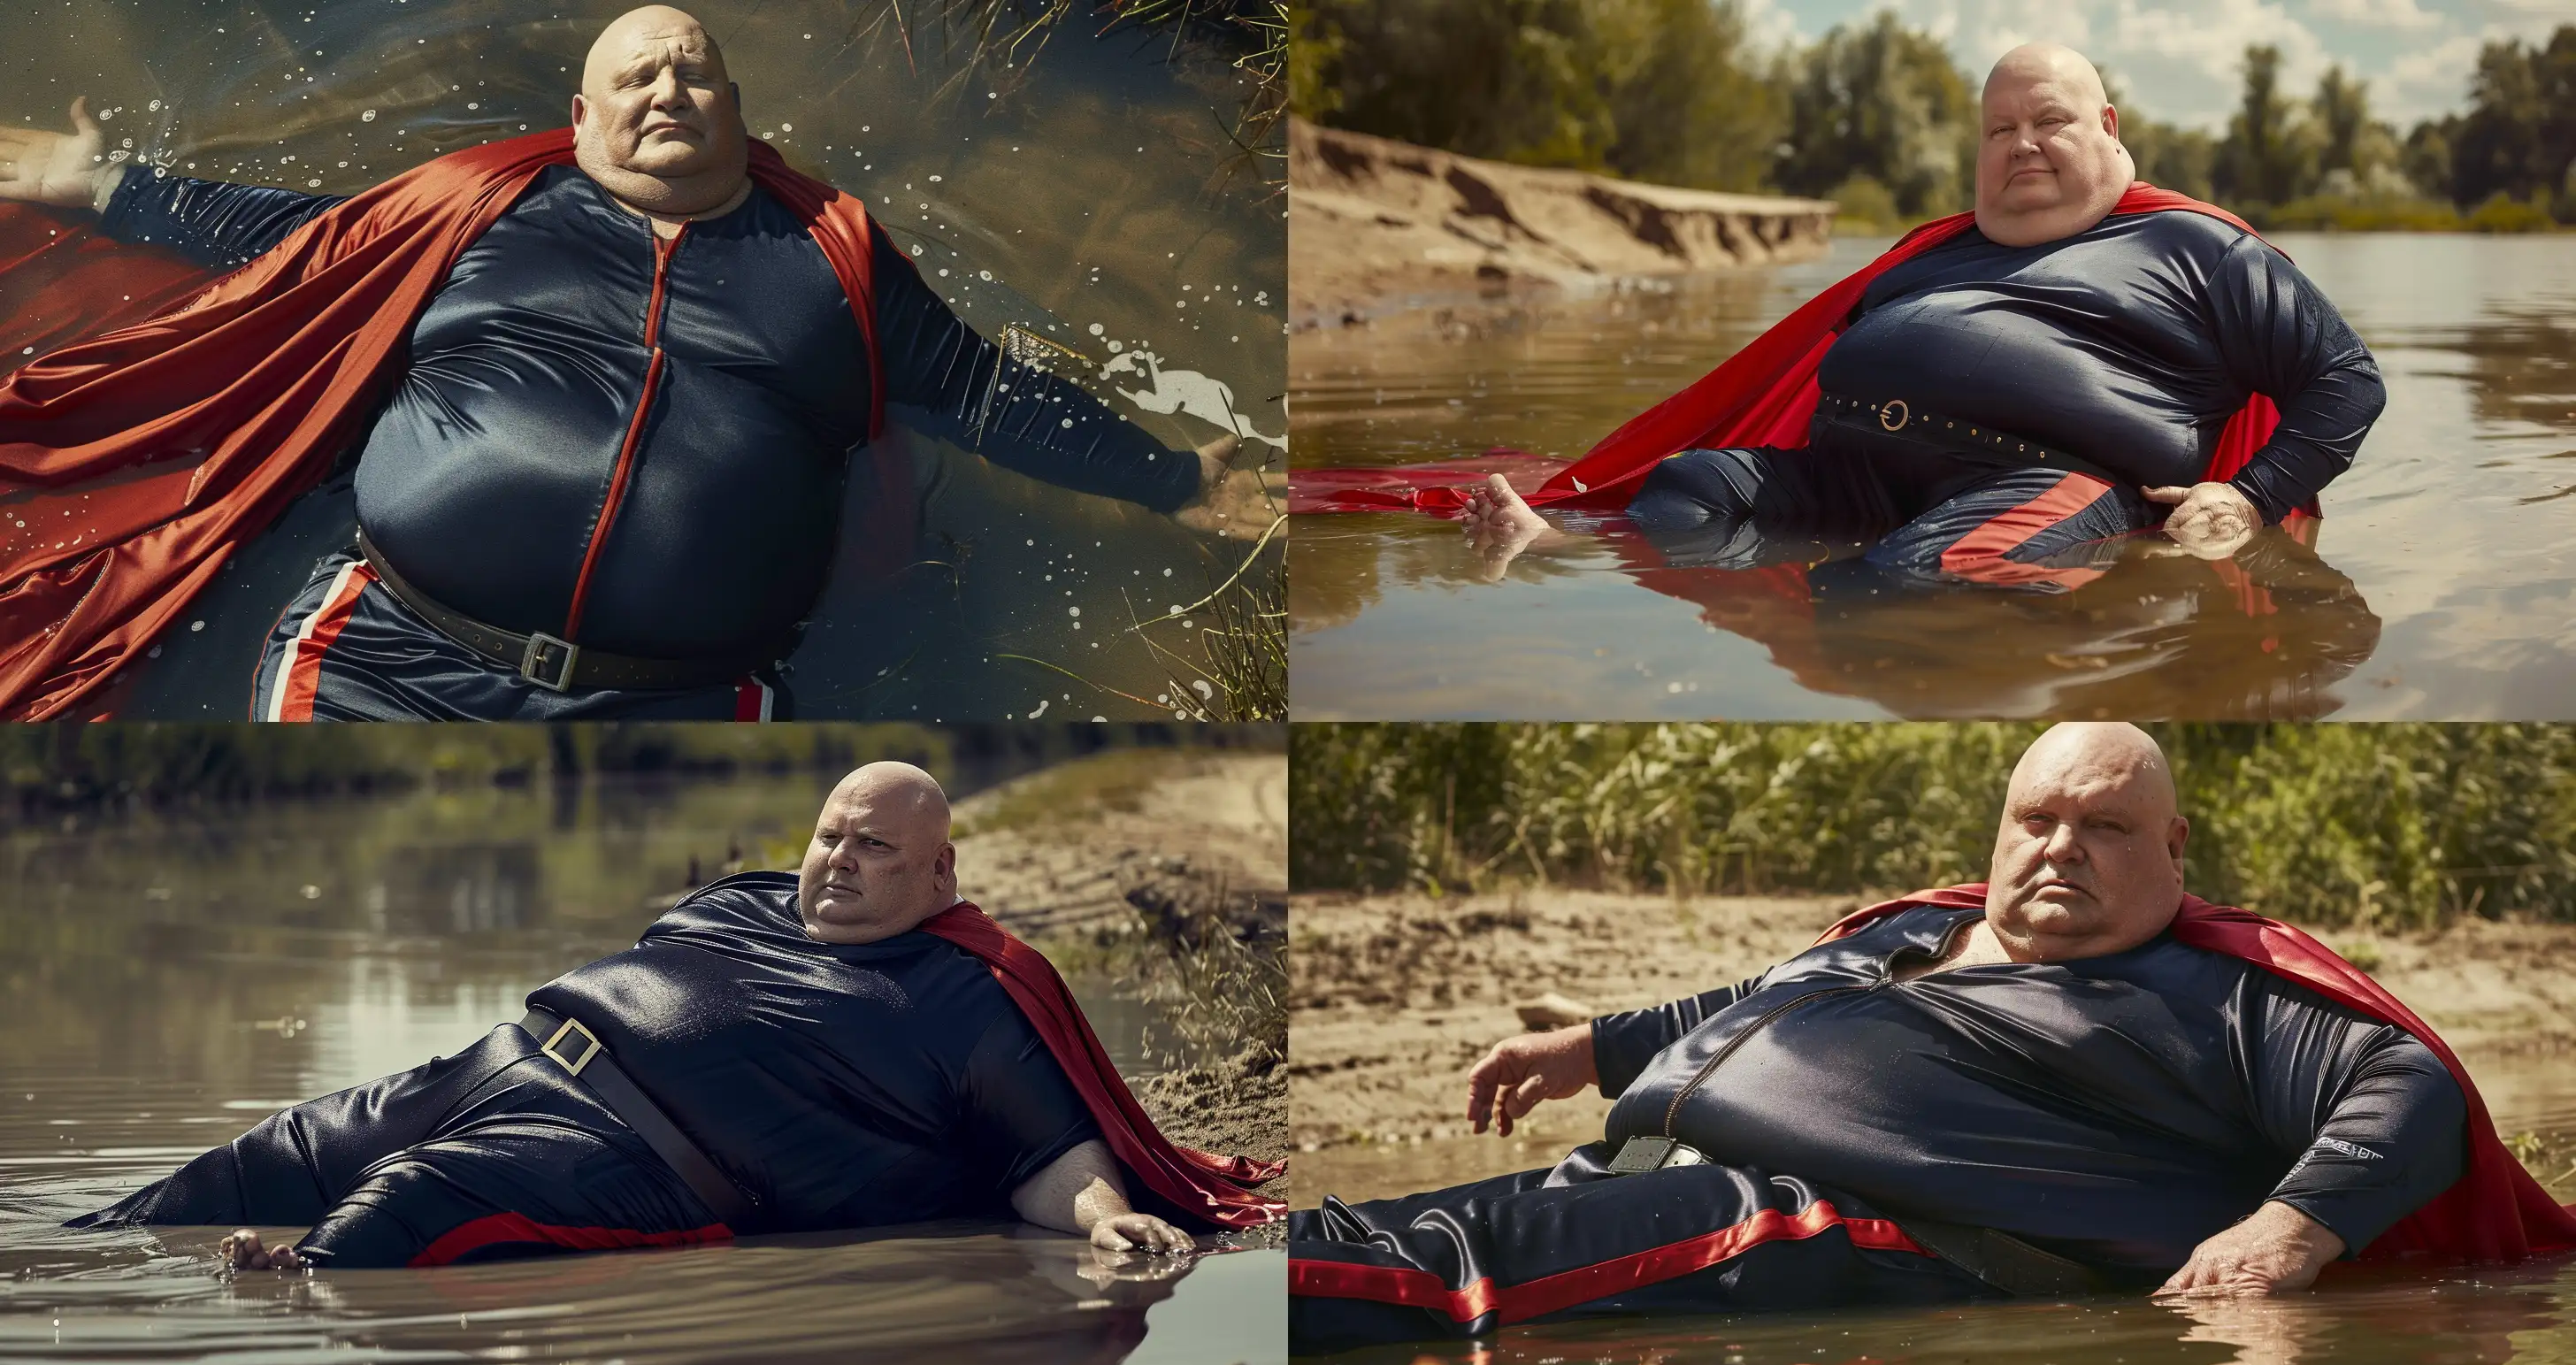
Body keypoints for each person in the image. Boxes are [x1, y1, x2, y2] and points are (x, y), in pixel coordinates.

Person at [0, 6, 1274, 721]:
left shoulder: (831, 256)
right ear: (583, 120)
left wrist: (1170, 480)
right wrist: (105, 183)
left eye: (694, 69)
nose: (668, 86)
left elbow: (987, 389)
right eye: (636, 74)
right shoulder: (472, 213)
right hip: (382, 661)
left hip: (678, 706)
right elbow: (293, 245)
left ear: (736, 111)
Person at [1287, 724, 2576, 1353]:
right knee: (1385, 1237)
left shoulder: (2216, 994)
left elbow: (2402, 1080)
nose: (2062, 846)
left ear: (2174, 849)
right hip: (1645, 1172)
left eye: (2106, 829)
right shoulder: (1915, 926)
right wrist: (1593, 1048)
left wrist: (2286, 1231)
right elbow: (1756, 1004)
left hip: (1834, 1222)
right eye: (2038, 820)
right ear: (2001, 825)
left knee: (1453, 1281)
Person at [70, 761, 1283, 1268]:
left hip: (627, 1160)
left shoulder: (965, 994)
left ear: (940, 877)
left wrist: (1112, 1223)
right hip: (495, 1060)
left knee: (398, 1211)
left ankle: (288, 1286)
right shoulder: (748, 896)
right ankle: (71, 1244)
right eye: (833, 836)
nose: (843, 860)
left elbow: (1047, 1156)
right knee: (240, 1165)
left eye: (877, 849)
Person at [1307, 43, 2384, 587]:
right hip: (1853, 476)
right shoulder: (1932, 252)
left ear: (2107, 127)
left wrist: (2243, 503)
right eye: (1997, 128)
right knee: (1685, 492)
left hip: (2050, 482)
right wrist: (1581, 515)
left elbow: (2344, 381)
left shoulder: (2200, 248)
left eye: (2047, 121)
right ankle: (1557, 543)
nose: (2019, 144)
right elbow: (1778, 385)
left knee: (1907, 589)